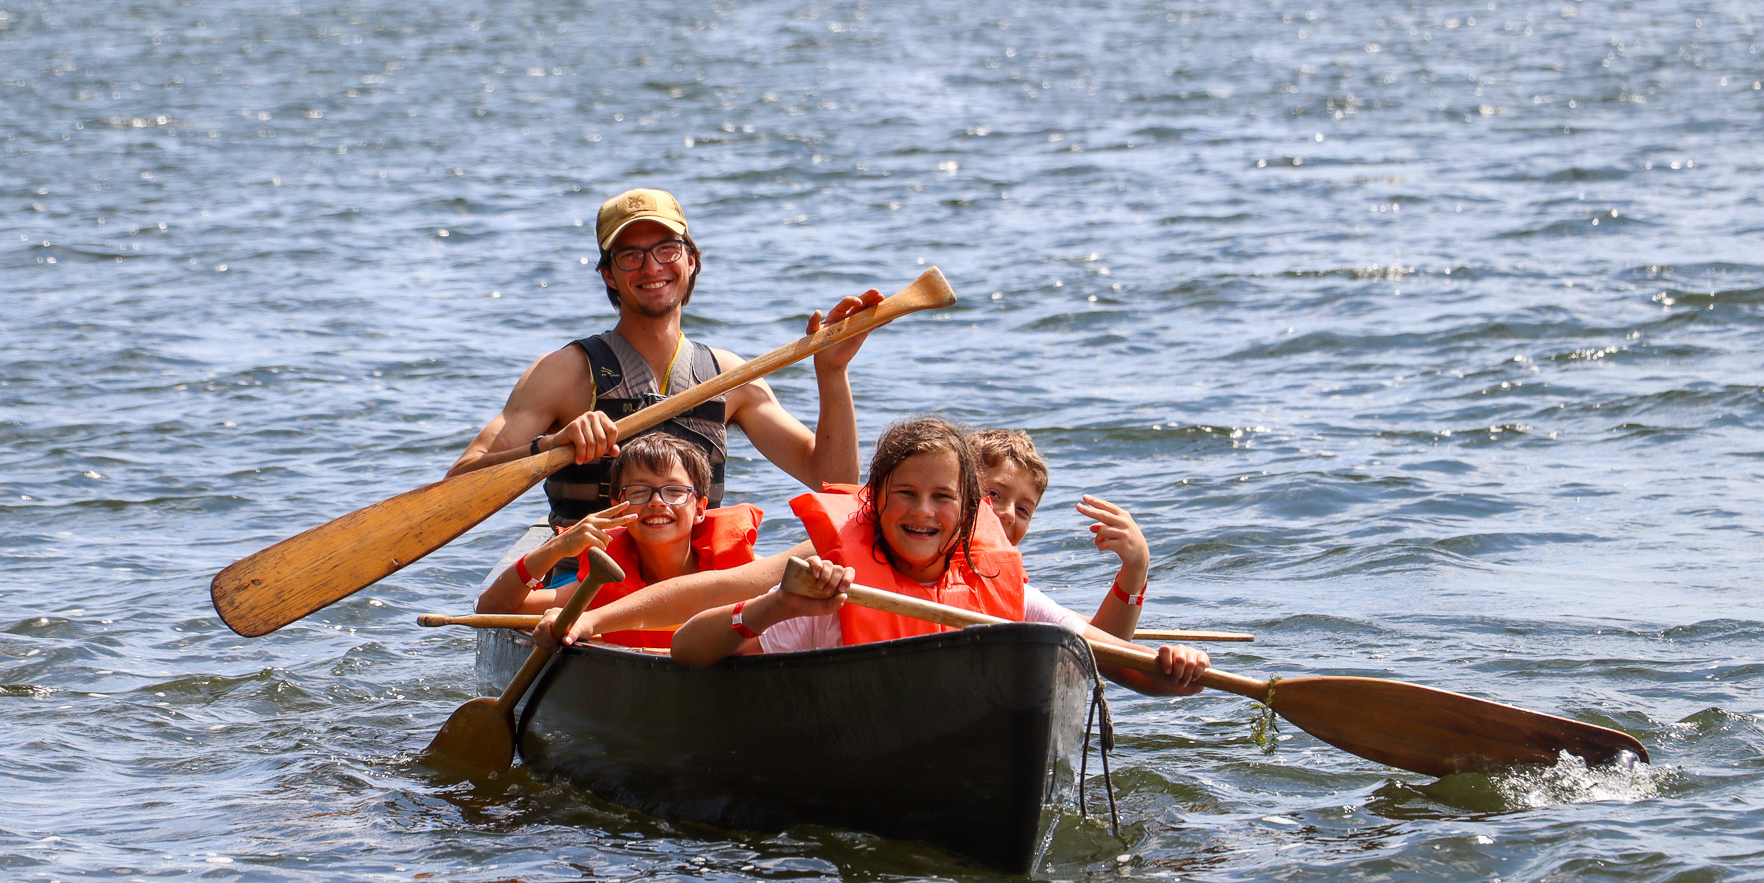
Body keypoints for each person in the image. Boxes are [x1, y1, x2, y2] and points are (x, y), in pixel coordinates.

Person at [444, 187, 880, 529]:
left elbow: (833, 482)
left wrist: (833, 371)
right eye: (630, 256)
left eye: (666, 249)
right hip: (587, 582)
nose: (651, 268)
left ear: (690, 261)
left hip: (687, 588)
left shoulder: (730, 377)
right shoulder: (564, 373)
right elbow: (460, 483)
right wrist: (550, 445)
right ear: (608, 275)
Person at [667, 418, 1207, 692]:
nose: (923, 511)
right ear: (875, 500)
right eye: (905, 493)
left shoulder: (1011, 594)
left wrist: (1176, 670)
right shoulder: (830, 592)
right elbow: (686, 649)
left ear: (970, 509)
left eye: (943, 497)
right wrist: (780, 605)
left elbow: (1117, 664)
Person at [475, 433, 761, 648]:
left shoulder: (744, 578)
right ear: (616, 506)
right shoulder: (597, 590)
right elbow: (494, 608)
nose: (657, 503)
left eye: (674, 492)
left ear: (699, 508)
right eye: (638, 492)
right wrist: (556, 548)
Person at [972, 428, 1151, 643]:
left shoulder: (1022, 598)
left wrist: (1137, 568)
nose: (1009, 514)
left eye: (1023, 510)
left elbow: (1108, 645)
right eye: (994, 494)